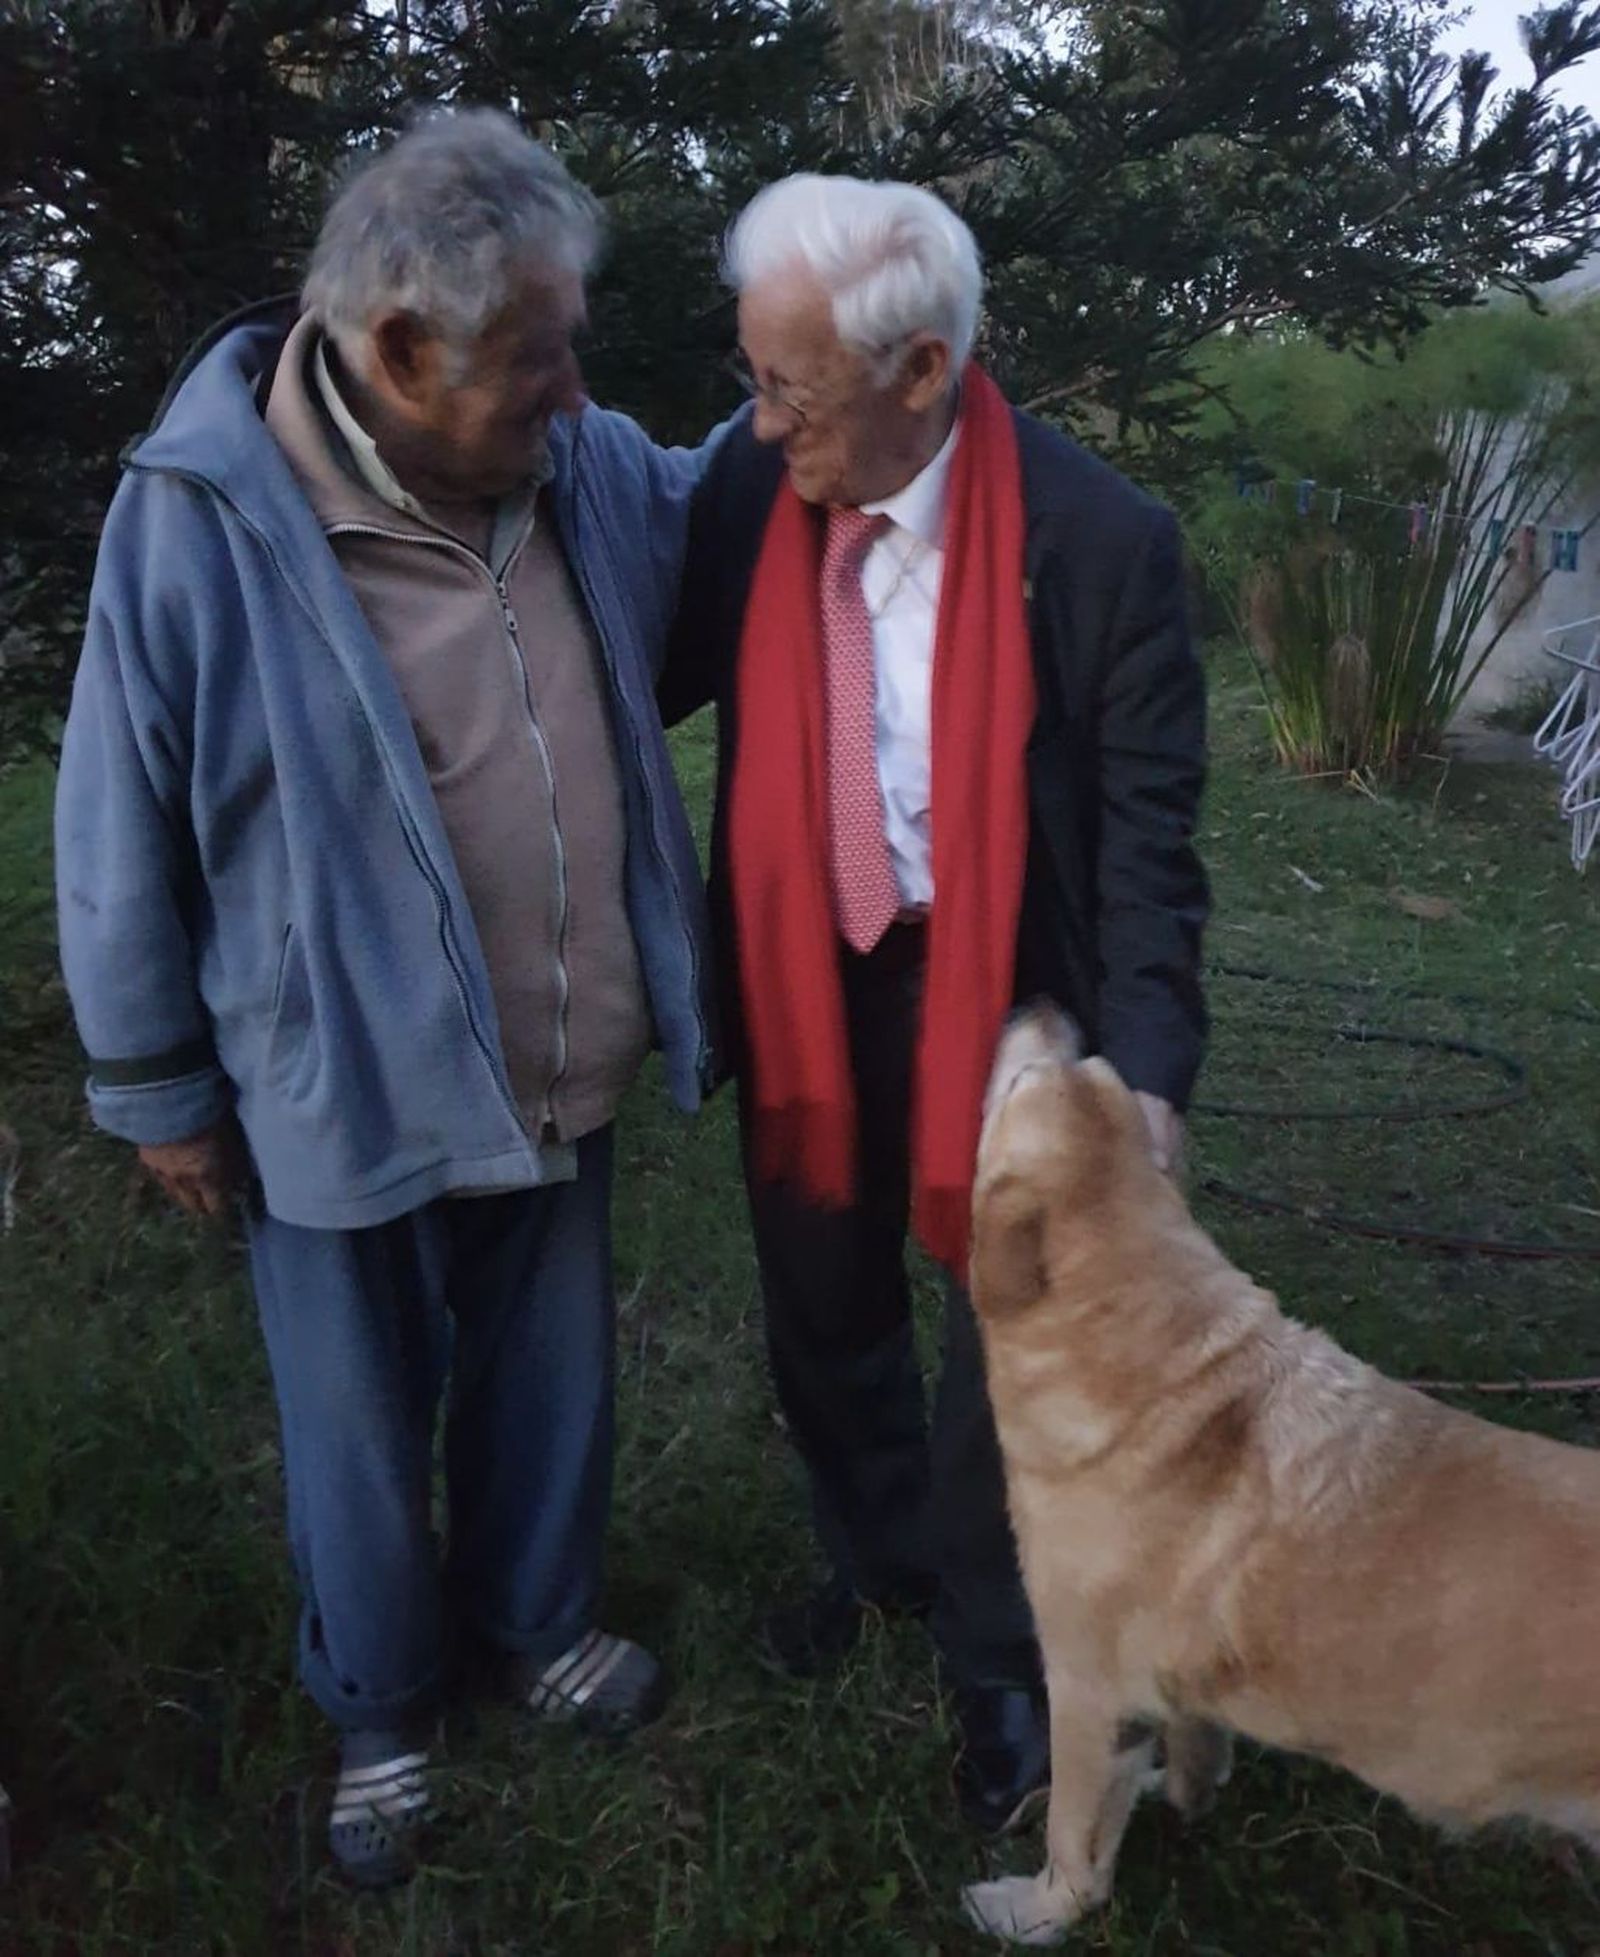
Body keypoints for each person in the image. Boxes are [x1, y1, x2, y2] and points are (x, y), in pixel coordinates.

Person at [54, 108, 717, 1886]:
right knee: (355, 1413)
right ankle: (382, 1703)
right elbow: (114, 814)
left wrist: (847, 370)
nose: (577, 389)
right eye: (539, 356)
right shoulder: (202, 514)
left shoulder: (579, 469)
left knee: (550, 1365)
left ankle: (537, 1621)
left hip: (556, 1041)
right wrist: (155, 1083)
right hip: (334, 1073)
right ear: (403, 352)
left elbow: (717, 502)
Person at [660, 173, 1208, 1837]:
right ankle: (877, 1553)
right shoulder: (750, 492)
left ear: (919, 373)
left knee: (1008, 1329)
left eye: (790, 390)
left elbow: (1149, 840)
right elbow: (636, 671)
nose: (760, 425)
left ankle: (999, 1651)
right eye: (752, 378)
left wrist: (1148, 1066)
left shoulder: (1099, 541)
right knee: (819, 1282)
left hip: (1007, 979)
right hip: (807, 967)